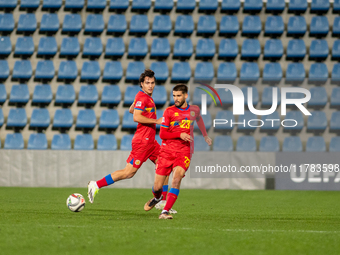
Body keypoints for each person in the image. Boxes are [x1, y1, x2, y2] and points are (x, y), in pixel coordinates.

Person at [88, 69, 171, 207]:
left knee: (166, 165)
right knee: (128, 173)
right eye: (147, 83)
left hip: (151, 142)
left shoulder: (143, 96)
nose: (150, 85)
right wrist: (157, 121)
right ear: (142, 84)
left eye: (152, 83)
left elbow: (132, 109)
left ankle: (162, 202)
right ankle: (95, 184)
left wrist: (136, 104)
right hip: (142, 141)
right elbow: (136, 116)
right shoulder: (143, 97)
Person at [144, 84, 212, 219]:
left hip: (184, 151)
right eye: (174, 96)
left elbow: (199, 120)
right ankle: (157, 198)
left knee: (177, 178)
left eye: (179, 96)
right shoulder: (169, 112)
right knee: (157, 187)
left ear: (186, 96)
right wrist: (179, 135)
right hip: (166, 152)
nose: (176, 98)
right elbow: (163, 134)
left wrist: (205, 135)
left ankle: (165, 211)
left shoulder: (194, 110)